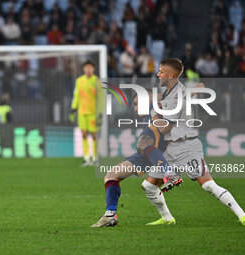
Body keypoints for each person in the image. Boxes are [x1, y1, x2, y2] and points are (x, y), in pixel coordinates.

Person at [144, 58, 245, 226]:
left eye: (161, 72)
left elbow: (165, 129)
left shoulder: (176, 96)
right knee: (148, 186)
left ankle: (242, 215)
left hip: (187, 147)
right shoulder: (174, 91)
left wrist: (154, 114)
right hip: (171, 149)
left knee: (208, 185)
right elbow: (195, 89)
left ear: (171, 75)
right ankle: (168, 219)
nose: (158, 74)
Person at [91, 89, 182, 228]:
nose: (134, 108)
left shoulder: (156, 106)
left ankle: (169, 173)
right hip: (148, 154)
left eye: (136, 104)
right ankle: (110, 215)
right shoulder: (149, 115)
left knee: (142, 144)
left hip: (162, 152)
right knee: (112, 176)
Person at [69, 60, 103, 166]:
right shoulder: (79, 81)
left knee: (93, 135)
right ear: (83, 69)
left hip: (93, 112)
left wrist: (100, 111)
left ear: (93, 69)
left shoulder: (96, 81)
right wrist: (73, 108)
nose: (88, 69)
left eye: (90, 67)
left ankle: (95, 157)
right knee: (83, 134)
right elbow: (76, 95)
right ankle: (86, 158)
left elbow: (101, 97)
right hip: (82, 112)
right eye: (86, 67)